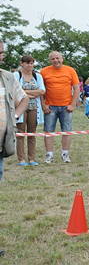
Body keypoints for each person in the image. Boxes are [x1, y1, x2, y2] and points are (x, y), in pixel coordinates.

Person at [40, 51, 80, 164]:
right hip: (50, 107)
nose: (56, 60)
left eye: (58, 58)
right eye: (53, 59)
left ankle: (65, 154)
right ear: (50, 60)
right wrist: (43, 105)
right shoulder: (43, 71)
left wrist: (73, 104)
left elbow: (77, 88)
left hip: (66, 107)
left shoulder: (70, 70)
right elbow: (41, 90)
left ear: (62, 59)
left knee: (66, 131)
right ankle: (49, 155)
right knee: (48, 131)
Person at [0, 41, 30, 181]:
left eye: (1, 52)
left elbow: (24, 99)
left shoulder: (7, 77)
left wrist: (14, 116)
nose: (1, 56)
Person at [14, 55, 45, 166]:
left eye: (31, 63)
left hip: (34, 107)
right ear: (22, 63)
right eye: (27, 63)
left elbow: (42, 91)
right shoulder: (16, 75)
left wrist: (25, 92)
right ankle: (21, 159)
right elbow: (15, 90)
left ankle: (32, 159)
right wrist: (33, 93)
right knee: (20, 133)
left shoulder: (37, 76)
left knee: (32, 133)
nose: (30, 65)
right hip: (20, 108)